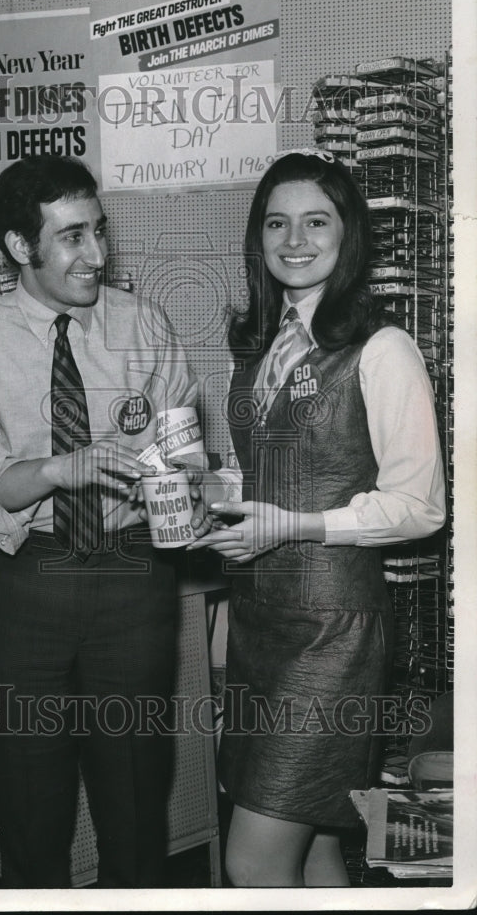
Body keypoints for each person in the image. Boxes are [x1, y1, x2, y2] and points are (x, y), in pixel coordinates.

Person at [0, 155, 204, 888]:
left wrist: (188, 486)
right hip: (25, 590)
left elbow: (184, 449)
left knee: (134, 804)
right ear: (21, 247)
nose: (96, 255)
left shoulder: (143, 324)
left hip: (131, 580)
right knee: (31, 811)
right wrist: (56, 470)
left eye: (98, 232)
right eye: (71, 238)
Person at [190, 150, 446, 887]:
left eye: (315, 222)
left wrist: (289, 526)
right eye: (277, 222)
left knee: (252, 861)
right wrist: (210, 490)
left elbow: (420, 506)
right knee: (319, 847)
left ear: (348, 235)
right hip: (260, 627)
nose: (294, 240)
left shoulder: (384, 349)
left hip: (334, 635)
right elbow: (266, 478)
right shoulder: (260, 348)